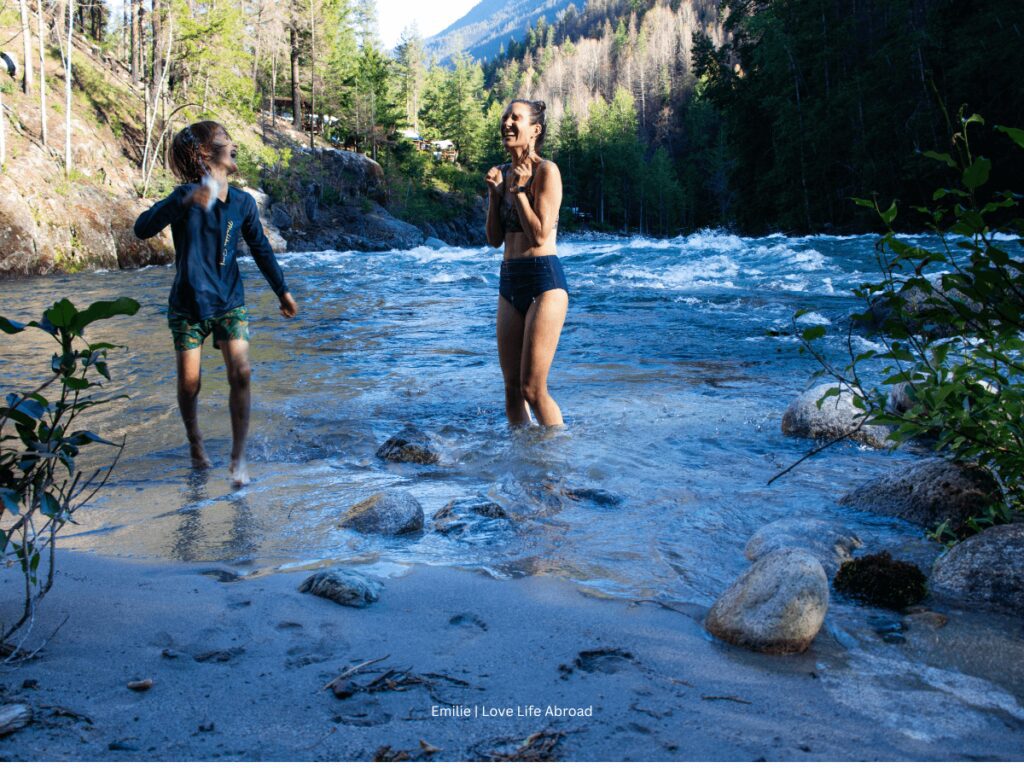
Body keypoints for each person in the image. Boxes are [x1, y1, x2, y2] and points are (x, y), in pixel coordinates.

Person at [133, 120, 298, 486]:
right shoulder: (185, 196)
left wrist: (282, 290)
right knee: (190, 384)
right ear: (206, 154)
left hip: (229, 302)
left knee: (241, 374)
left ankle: (238, 459)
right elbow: (142, 228)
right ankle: (195, 442)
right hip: (188, 305)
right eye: (226, 141)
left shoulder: (242, 202)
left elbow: (260, 249)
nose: (234, 143)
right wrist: (182, 200)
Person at [485, 99, 568, 427]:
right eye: (505, 116)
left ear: (535, 129)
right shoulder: (502, 173)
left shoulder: (547, 171)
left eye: (515, 118)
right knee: (511, 389)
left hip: (544, 281)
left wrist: (519, 191)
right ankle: (523, 465)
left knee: (533, 388)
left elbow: (538, 234)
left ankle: (555, 460)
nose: (506, 122)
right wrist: (495, 194)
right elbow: (494, 239)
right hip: (509, 279)